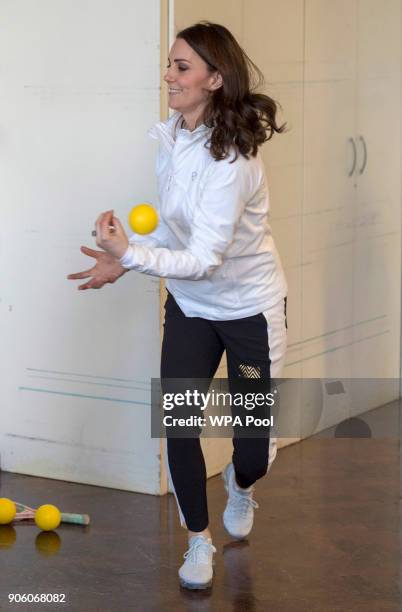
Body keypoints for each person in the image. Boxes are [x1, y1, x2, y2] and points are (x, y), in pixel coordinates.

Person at [68, 21, 288, 590]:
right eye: (170, 64)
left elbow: (208, 256)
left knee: (254, 445)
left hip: (247, 312)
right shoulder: (174, 136)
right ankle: (198, 540)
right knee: (180, 426)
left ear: (216, 79)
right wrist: (124, 259)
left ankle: (243, 486)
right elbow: (173, 227)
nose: (168, 76)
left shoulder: (234, 162)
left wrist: (134, 254)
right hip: (191, 308)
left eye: (182, 67)